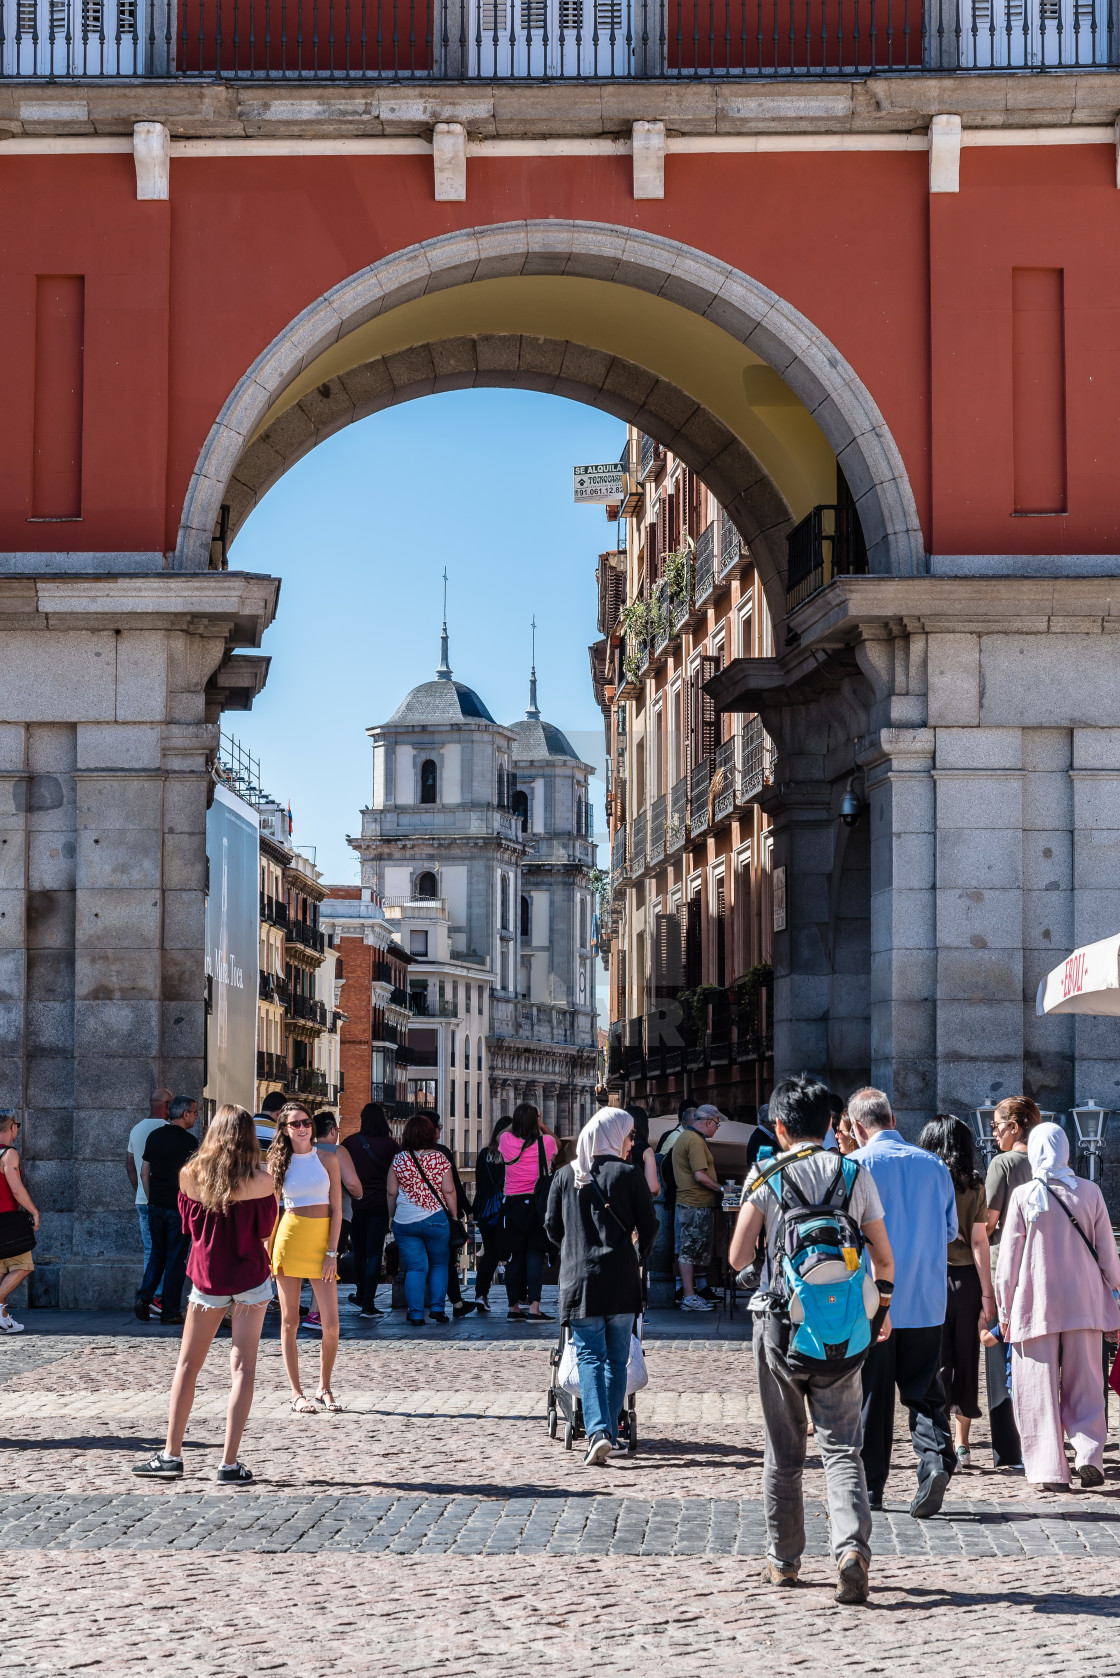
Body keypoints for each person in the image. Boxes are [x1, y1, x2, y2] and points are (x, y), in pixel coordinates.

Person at [729, 1075, 894, 1607]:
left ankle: (785, 1560)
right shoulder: (853, 1172)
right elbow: (885, 1260)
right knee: (843, 1446)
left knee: (784, 1447)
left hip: (780, 1325)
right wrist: (881, 1310)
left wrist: (766, 1274)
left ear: (778, 1126)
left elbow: (737, 1256)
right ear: (830, 1124)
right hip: (844, 1329)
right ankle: (851, 1550)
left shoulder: (765, 1173)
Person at [132, 1104, 277, 1482]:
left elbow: (190, 1229)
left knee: (187, 1366)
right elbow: (265, 1232)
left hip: (208, 1279)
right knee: (244, 1368)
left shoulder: (191, 1176)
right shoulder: (263, 1181)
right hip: (250, 1278)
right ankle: (229, 1463)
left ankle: (171, 1455)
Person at [849, 1087, 958, 1516]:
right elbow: (950, 1231)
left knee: (872, 1396)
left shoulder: (854, 1166)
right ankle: (933, 1461)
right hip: (927, 1298)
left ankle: (871, 1487)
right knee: (925, 1391)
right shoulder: (934, 1165)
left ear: (858, 1127)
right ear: (892, 1120)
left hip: (873, 1300)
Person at [995, 1122, 1120, 1491]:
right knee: (1087, 1383)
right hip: (1084, 1303)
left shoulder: (1023, 1195)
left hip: (1036, 1305)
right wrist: (1117, 1290)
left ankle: (1049, 1468)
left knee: (1036, 1388)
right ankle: (1087, 1455)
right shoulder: (1090, 1192)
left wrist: (1003, 1309)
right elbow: (1108, 1256)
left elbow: (1008, 1264)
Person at [545, 1106, 658, 1467]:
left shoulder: (566, 1175)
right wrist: (639, 1253)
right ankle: (608, 1432)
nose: (631, 1144)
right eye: (629, 1136)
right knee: (616, 1357)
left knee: (590, 1355)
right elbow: (650, 1223)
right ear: (615, 1136)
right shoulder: (629, 1173)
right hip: (622, 1277)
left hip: (580, 1280)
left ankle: (596, 1434)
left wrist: (573, 1249)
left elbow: (551, 1226)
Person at [918, 1114, 994, 1469]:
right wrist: (988, 1295)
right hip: (967, 1281)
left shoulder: (923, 1181)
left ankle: (940, 1437)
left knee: (937, 1361)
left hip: (930, 1278)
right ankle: (963, 1444)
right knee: (967, 1359)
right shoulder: (974, 1184)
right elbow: (980, 1240)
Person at [267, 1103, 343, 1412]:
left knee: (332, 1325)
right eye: (295, 1123)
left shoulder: (327, 1158)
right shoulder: (277, 1162)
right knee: (290, 1320)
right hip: (289, 1238)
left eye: (306, 1122)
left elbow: (337, 1209)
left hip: (321, 1242)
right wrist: (267, 1252)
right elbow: (272, 1212)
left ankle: (324, 1387)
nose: (302, 1127)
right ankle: (296, 1393)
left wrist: (331, 1252)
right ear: (285, 1130)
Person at [983, 1095, 1040, 1468]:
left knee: (998, 1355)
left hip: (1004, 1267)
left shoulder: (1002, 1163)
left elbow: (987, 1222)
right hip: (1040, 1270)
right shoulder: (1049, 1164)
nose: (994, 1133)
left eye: (997, 1125)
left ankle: (1009, 1447)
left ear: (1015, 1127)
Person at [387, 1111, 457, 1326]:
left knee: (415, 1268)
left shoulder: (399, 1159)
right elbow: (449, 1190)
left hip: (406, 1221)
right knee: (439, 1265)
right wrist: (453, 1215)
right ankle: (437, 1308)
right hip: (436, 1218)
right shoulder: (439, 1158)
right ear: (431, 1134)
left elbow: (391, 1192)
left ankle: (416, 1313)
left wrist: (392, 1216)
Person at [135, 1095, 200, 1326]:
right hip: (179, 1207)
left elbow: (144, 1171)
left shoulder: (154, 1136)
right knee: (175, 1259)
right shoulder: (190, 1143)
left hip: (156, 1205)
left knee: (157, 1253)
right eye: (193, 1112)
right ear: (184, 1115)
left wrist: (152, 1198)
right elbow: (194, 1178)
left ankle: (144, 1296)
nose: (195, 1116)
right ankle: (170, 1311)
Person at [498, 1101, 558, 1321]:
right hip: (537, 1203)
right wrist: (541, 1125)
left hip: (512, 1204)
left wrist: (518, 1122)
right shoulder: (546, 1142)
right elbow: (559, 1145)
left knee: (515, 1257)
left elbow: (503, 1134)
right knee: (535, 1255)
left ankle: (513, 1306)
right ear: (536, 1121)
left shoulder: (505, 1140)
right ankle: (534, 1306)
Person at [304, 1113, 362, 1331]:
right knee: (328, 1262)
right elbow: (353, 1183)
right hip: (336, 1214)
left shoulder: (305, 1151)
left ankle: (314, 1312)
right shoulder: (337, 1151)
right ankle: (315, 1314)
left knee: (314, 1264)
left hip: (307, 1215)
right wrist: (359, 1195)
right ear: (333, 1130)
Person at [343, 1103, 398, 1320]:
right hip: (380, 1206)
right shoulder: (391, 1146)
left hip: (355, 1206)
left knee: (359, 1252)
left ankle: (360, 1293)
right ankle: (369, 1302)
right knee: (375, 1253)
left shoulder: (350, 1143)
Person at [670, 1104, 724, 1313]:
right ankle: (689, 1296)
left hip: (692, 1202)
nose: (717, 1128)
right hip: (694, 1203)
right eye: (717, 1124)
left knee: (691, 1250)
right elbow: (699, 1175)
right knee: (688, 1251)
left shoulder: (689, 1137)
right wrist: (722, 1189)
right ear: (709, 1122)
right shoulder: (694, 1140)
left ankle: (691, 1294)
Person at [125, 1087, 172, 1303]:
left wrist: (141, 1191)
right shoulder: (168, 1130)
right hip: (164, 1201)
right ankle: (159, 1296)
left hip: (142, 1201)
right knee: (167, 1251)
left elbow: (130, 1167)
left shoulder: (136, 1129)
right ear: (168, 1105)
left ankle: (151, 1295)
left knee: (150, 1251)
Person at [431, 1114, 475, 1318]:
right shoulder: (441, 1153)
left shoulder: (403, 1154)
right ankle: (454, 1304)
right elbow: (453, 1187)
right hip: (441, 1216)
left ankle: (416, 1308)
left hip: (410, 1217)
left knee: (418, 1265)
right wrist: (461, 1212)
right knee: (445, 1263)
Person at [0, 1110, 40, 1335]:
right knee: (24, 1266)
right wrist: (33, 1211)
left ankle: (3, 1317)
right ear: (12, 1127)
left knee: (2, 1269)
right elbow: (16, 1188)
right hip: (7, 1219)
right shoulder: (9, 1154)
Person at [472, 1115, 513, 1313]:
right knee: (510, 1253)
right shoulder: (514, 1154)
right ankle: (517, 1298)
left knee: (490, 1253)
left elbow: (479, 1183)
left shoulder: (484, 1154)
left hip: (486, 1212)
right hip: (507, 1211)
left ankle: (481, 1294)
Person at [626, 1104, 661, 1201]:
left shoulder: (617, 1146)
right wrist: (659, 1188)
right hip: (638, 1204)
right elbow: (652, 1187)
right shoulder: (646, 1150)